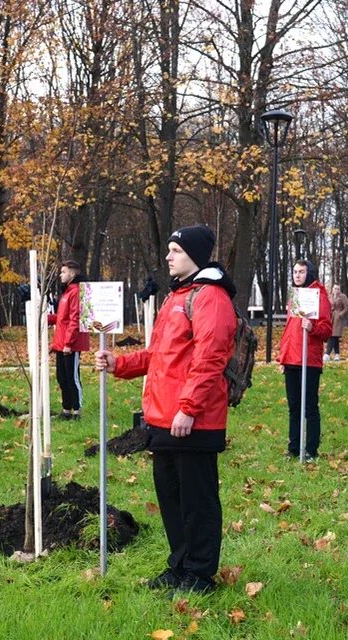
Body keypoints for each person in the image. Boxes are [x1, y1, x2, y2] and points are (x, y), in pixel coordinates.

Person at [95, 224, 236, 594]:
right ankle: (180, 566)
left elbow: (210, 358)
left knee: (197, 501)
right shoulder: (177, 297)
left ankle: (200, 575)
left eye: (176, 250)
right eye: (169, 249)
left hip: (193, 421)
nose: (168, 256)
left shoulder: (210, 297)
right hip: (163, 418)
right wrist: (119, 364)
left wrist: (188, 408)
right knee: (172, 501)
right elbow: (161, 357)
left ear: (194, 255)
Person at [278, 259, 332, 459]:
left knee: (309, 406)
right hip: (292, 358)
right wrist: (282, 358)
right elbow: (289, 330)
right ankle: (293, 448)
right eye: (294, 272)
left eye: (301, 272)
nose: (297, 275)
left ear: (309, 273)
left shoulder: (320, 296)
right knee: (294, 407)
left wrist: (313, 328)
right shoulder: (296, 296)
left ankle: (310, 449)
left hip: (309, 360)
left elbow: (326, 330)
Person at [47, 260, 89, 420]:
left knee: (72, 377)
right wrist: (47, 318)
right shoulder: (66, 292)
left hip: (70, 344)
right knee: (62, 377)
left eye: (63, 272)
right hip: (61, 343)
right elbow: (62, 318)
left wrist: (68, 344)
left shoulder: (76, 292)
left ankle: (77, 411)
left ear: (72, 273)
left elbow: (75, 319)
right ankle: (66, 410)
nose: (60, 275)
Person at [326, 284, 348, 361]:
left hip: (338, 318)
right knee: (333, 336)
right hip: (330, 317)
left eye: (338, 289)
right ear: (332, 289)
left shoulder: (343, 297)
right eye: (335, 288)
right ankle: (337, 354)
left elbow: (346, 307)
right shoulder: (330, 296)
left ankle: (327, 353)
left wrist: (340, 314)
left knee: (333, 335)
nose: (336, 290)